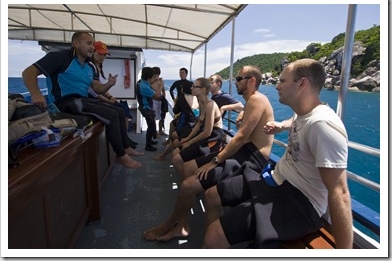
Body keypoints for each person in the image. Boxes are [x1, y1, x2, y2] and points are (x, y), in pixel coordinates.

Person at [202, 59, 353, 249]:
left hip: (299, 202)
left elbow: (340, 193)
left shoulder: (323, 125)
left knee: (214, 235)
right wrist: (282, 125)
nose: (277, 85)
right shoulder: (304, 111)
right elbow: (298, 119)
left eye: (282, 81)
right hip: (276, 180)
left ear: (302, 83)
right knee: (211, 196)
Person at [144, 66, 274, 242]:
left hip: (251, 159)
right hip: (241, 153)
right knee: (192, 177)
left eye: (238, 78)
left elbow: (241, 137)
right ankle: (192, 231)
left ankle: (175, 225)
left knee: (190, 186)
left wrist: (215, 160)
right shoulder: (253, 102)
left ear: (251, 81)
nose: (235, 81)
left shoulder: (257, 99)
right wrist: (243, 112)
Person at [22, 31, 142, 169]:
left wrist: (109, 84)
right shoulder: (59, 58)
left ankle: (126, 147)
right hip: (64, 102)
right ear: (76, 43)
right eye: (89, 43)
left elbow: (96, 87)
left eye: (93, 44)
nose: (92, 47)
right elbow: (28, 72)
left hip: (82, 100)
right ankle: (121, 156)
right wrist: (36, 93)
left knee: (120, 111)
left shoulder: (90, 66)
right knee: (112, 115)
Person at [88, 41, 139, 150]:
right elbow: (93, 91)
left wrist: (111, 97)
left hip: (101, 97)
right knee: (120, 110)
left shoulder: (99, 68)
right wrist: (108, 101)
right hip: (93, 99)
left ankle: (125, 137)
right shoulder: (90, 67)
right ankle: (124, 140)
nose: (102, 57)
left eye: (104, 54)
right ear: (93, 52)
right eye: (100, 54)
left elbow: (102, 88)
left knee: (124, 107)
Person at [153, 81, 198, 160]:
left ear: (182, 89)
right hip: (194, 121)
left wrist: (176, 101)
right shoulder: (196, 97)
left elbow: (175, 111)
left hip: (185, 121)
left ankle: (164, 154)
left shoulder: (181, 98)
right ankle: (169, 142)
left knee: (175, 136)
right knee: (172, 124)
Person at [136, 67, 164, 151]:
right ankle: (147, 145)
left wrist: (155, 80)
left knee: (151, 125)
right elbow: (157, 96)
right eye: (152, 77)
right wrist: (160, 86)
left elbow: (149, 82)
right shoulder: (144, 87)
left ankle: (150, 140)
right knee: (151, 126)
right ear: (148, 77)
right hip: (146, 108)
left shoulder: (141, 82)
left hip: (145, 107)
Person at [151, 66, 168, 137]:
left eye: (158, 74)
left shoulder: (161, 81)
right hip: (153, 101)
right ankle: (155, 132)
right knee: (154, 117)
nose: (157, 75)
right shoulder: (150, 82)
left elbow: (163, 91)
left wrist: (164, 99)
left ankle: (160, 130)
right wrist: (155, 80)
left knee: (162, 116)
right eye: (155, 74)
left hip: (160, 101)